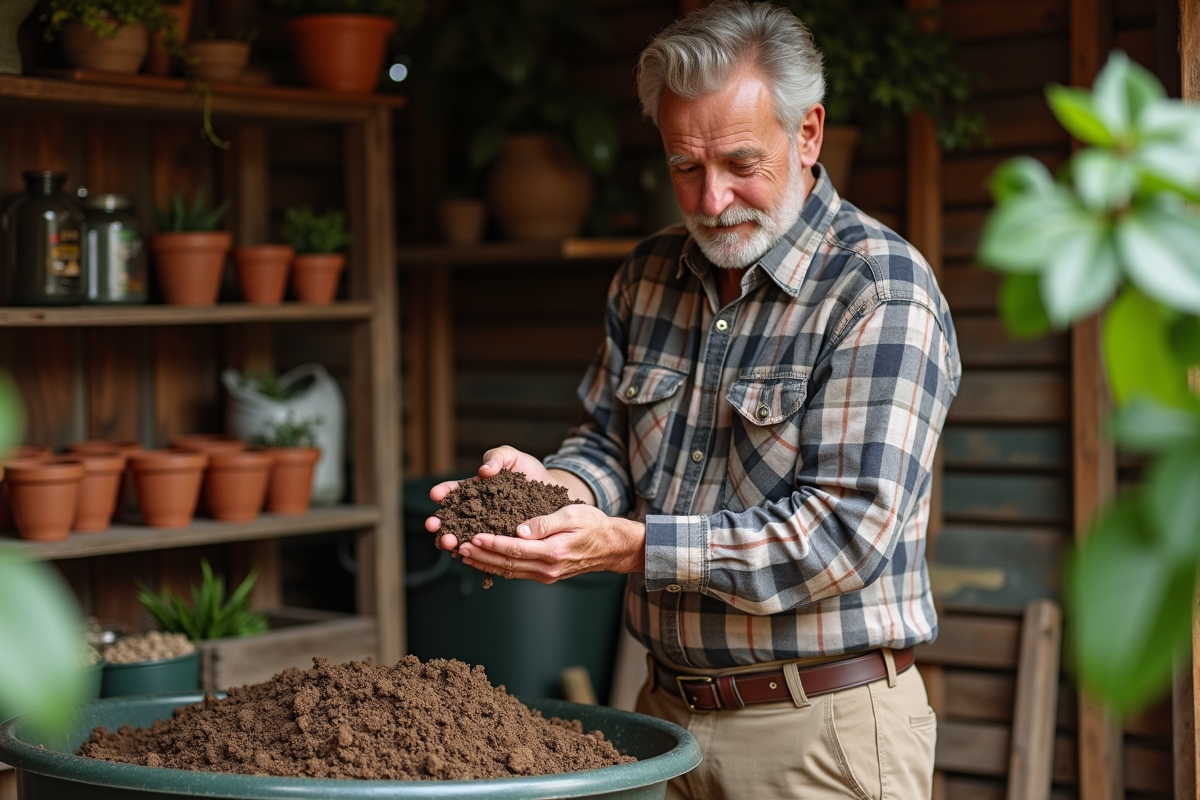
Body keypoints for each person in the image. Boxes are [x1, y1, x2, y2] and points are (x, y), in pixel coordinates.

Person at [427, 1, 961, 797]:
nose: (711, 202)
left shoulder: (878, 291)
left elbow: (844, 537)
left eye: (740, 163)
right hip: (663, 716)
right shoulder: (646, 276)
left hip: (820, 729)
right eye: (685, 166)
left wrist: (629, 547)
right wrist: (548, 493)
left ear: (807, 133)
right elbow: (607, 441)